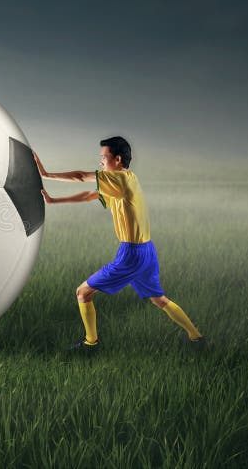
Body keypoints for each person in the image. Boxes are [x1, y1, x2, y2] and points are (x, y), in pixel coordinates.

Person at [32, 137, 206, 350]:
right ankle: (197, 337)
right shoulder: (127, 179)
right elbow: (90, 195)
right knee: (159, 299)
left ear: (118, 158)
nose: (100, 163)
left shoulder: (119, 180)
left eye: (103, 158)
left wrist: (46, 174)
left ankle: (90, 343)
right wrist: (53, 200)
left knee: (82, 292)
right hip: (147, 251)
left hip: (131, 254)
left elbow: (80, 177)